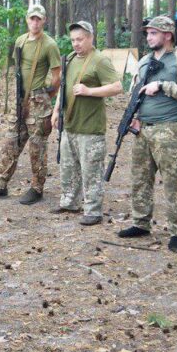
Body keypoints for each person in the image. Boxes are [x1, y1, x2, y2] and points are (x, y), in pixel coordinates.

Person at [117, 15, 177, 252]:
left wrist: (163, 85)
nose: (149, 37)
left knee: (173, 182)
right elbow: (134, 91)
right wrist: (132, 116)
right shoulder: (143, 61)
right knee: (140, 179)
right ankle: (141, 222)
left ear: (167, 35)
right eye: (148, 33)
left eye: (154, 33)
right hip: (143, 130)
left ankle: (176, 231)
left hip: (168, 129)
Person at [0, 4, 61, 204]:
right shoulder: (20, 41)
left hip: (38, 102)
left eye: (38, 19)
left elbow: (57, 76)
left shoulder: (49, 44)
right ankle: (1, 184)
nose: (35, 22)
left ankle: (37, 187)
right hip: (20, 101)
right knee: (11, 142)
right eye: (32, 18)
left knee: (37, 147)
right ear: (27, 19)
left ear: (44, 21)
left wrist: (47, 96)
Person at [51, 21, 123, 225]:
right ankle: (69, 201)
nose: (76, 43)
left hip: (90, 128)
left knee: (91, 171)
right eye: (73, 39)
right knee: (67, 167)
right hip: (70, 125)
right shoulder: (70, 59)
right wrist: (56, 111)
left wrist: (89, 91)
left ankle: (93, 210)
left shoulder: (100, 60)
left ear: (90, 38)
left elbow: (117, 87)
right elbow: (63, 88)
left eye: (80, 39)